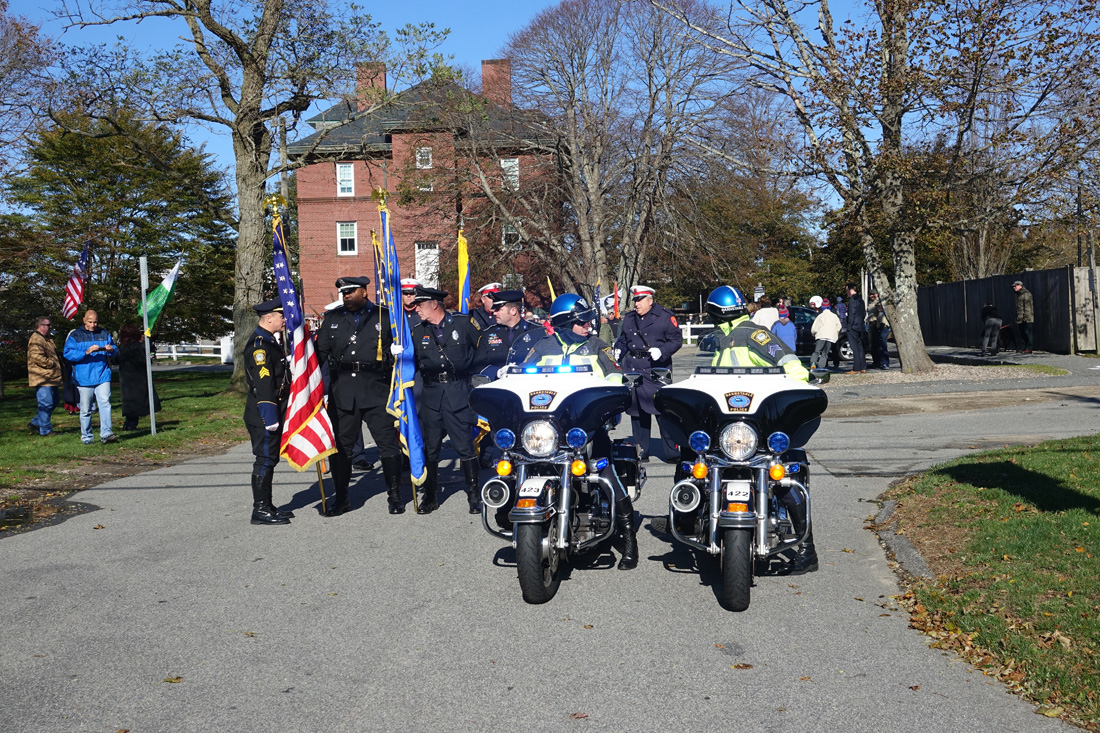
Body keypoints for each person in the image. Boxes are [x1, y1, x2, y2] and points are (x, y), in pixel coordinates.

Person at [697, 286, 816, 573]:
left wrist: (800, 389)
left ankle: (808, 548)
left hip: (759, 422)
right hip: (728, 423)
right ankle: (698, 520)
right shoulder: (715, 341)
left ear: (714, 312)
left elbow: (792, 365)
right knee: (697, 463)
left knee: (782, 473)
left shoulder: (755, 334)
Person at [518, 293, 638, 570]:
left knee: (606, 473)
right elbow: (521, 374)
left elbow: (615, 374)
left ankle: (630, 541)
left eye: (588, 320)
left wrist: (617, 391)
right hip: (549, 429)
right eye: (581, 321)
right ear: (564, 323)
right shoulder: (543, 346)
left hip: (588, 429)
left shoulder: (597, 346)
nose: (588, 325)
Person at [315, 276, 404, 516]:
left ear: (364, 292)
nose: (346, 296)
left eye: (351, 291)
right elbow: (319, 354)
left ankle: (395, 495)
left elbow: (403, 347)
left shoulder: (384, 316)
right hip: (342, 391)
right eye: (343, 293)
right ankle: (341, 498)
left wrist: (398, 354)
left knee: (387, 444)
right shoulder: (332, 318)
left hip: (376, 388)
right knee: (342, 448)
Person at [409, 285, 482, 514]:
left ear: (434, 304)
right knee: (431, 449)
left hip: (458, 392)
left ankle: (474, 495)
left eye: (419, 305)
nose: (416, 309)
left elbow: (481, 350)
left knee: (465, 448)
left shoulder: (462, 323)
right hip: (431, 396)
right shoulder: (417, 331)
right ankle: (430, 496)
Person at [613, 285, 682, 461]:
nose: (636, 304)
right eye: (635, 300)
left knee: (662, 409)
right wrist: (618, 349)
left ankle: (671, 452)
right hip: (634, 367)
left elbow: (676, 340)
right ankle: (641, 450)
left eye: (640, 300)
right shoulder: (629, 318)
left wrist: (662, 350)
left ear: (650, 300)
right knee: (636, 410)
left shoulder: (665, 317)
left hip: (657, 367)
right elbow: (623, 339)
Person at [242, 298, 294, 525]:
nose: (284, 320)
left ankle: (268, 505)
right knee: (264, 459)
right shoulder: (260, 346)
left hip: (272, 410)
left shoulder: (270, 340)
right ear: (269, 318)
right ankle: (260, 510)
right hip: (264, 413)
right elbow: (263, 385)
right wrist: (270, 415)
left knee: (270, 459)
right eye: (281, 316)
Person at [63, 309, 118, 445]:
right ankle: (87, 437)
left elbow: (115, 350)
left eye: (95, 322)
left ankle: (106, 433)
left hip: (102, 375)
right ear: (84, 320)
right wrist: (86, 352)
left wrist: (111, 350)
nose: (93, 325)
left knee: (105, 404)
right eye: (90, 322)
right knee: (86, 409)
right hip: (83, 377)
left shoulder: (104, 333)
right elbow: (68, 354)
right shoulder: (75, 335)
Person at [472, 289, 546, 379]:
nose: (494, 313)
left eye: (498, 309)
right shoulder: (488, 333)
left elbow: (546, 362)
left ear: (513, 311)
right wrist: (497, 373)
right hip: (497, 388)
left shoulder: (537, 332)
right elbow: (477, 365)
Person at [117, 324, 161, 430]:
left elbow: (116, 360)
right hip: (139, 379)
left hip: (126, 379)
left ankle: (128, 424)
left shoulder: (122, 348)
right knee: (137, 403)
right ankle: (131, 425)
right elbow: (144, 361)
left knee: (130, 402)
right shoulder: (137, 347)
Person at [27, 316, 61, 437]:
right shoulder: (36, 339)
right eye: (48, 325)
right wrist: (51, 363)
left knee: (55, 401)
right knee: (46, 403)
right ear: (41, 326)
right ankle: (45, 430)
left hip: (50, 377)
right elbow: (36, 356)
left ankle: (36, 422)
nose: (50, 327)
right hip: (42, 377)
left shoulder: (47, 339)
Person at [810, 300, 841, 370]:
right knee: (825, 353)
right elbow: (839, 327)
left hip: (821, 336)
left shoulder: (820, 316)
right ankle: (821, 366)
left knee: (817, 351)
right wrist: (836, 335)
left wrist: (814, 334)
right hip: (831, 337)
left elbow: (814, 328)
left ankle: (813, 362)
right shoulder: (834, 316)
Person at [844, 282, 867, 373]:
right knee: (860, 346)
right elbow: (863, 313)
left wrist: (849, 326)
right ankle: (863, 367)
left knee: (855, 347)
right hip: (860, 325)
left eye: (846, 290)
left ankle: (856, 368)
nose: (846, 293)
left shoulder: (853, 300)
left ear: (850, 290)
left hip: (853, 326)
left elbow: (851, 314)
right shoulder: (861, 299)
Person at [867, 292, 891, 370]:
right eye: (871, 294)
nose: (872, 296)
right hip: (873, 324)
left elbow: (882, 314)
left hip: (881, 324)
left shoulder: (880, 302)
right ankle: (877, 362)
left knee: (882, 344)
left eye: (874, 294)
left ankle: (884, 363)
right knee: (873, 345)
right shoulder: (870, 303)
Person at [1013, 280, 1034, 353]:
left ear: (1020, 286)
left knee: (1028, 333)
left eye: (1015, 286)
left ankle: (1029, 348)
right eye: (1013, 286)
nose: (1014, 287)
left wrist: (1026, 317)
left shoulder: (1026, 294)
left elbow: (1028, 307)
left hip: (1027, 318)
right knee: (1022, 333)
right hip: (1020, 318)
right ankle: (1023, 348)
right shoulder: (1019, 295)